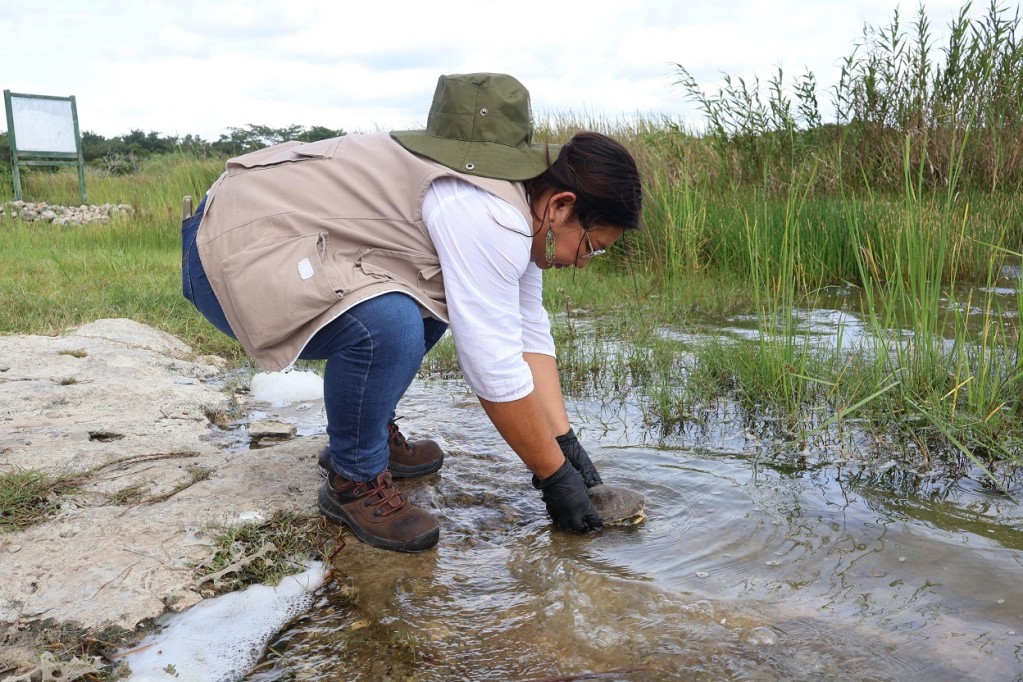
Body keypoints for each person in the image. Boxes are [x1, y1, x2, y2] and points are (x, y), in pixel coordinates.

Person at [181, 72, 643, 552]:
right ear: (563, 205)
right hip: (225, 256)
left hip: (275, 246)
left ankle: (368, 430)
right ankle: (353, 478)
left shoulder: (526, 205)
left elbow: (527, 334)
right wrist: (553, 478)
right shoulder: (491, 213)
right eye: (592, 247)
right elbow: (494, 367)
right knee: (390, 324)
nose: (584, 262)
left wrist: (569, 449)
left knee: (438, 301)